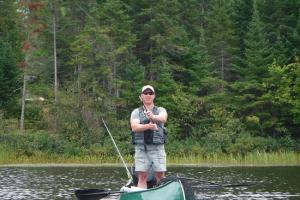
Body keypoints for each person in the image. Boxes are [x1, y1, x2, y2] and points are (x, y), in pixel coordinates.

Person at [130, 85, 168, 189]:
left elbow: (163, 118)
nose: (148, 95)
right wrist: (149, 126)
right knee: (142, 176)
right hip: (141, 149)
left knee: (160, 176)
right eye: (145, 93)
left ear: (154, 96)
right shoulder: (136, 112)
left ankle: (162, 195)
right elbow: (134, 127)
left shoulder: (160, 110)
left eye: (150, 93)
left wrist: (153, 117)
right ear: (140, 97)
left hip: (158, 149)